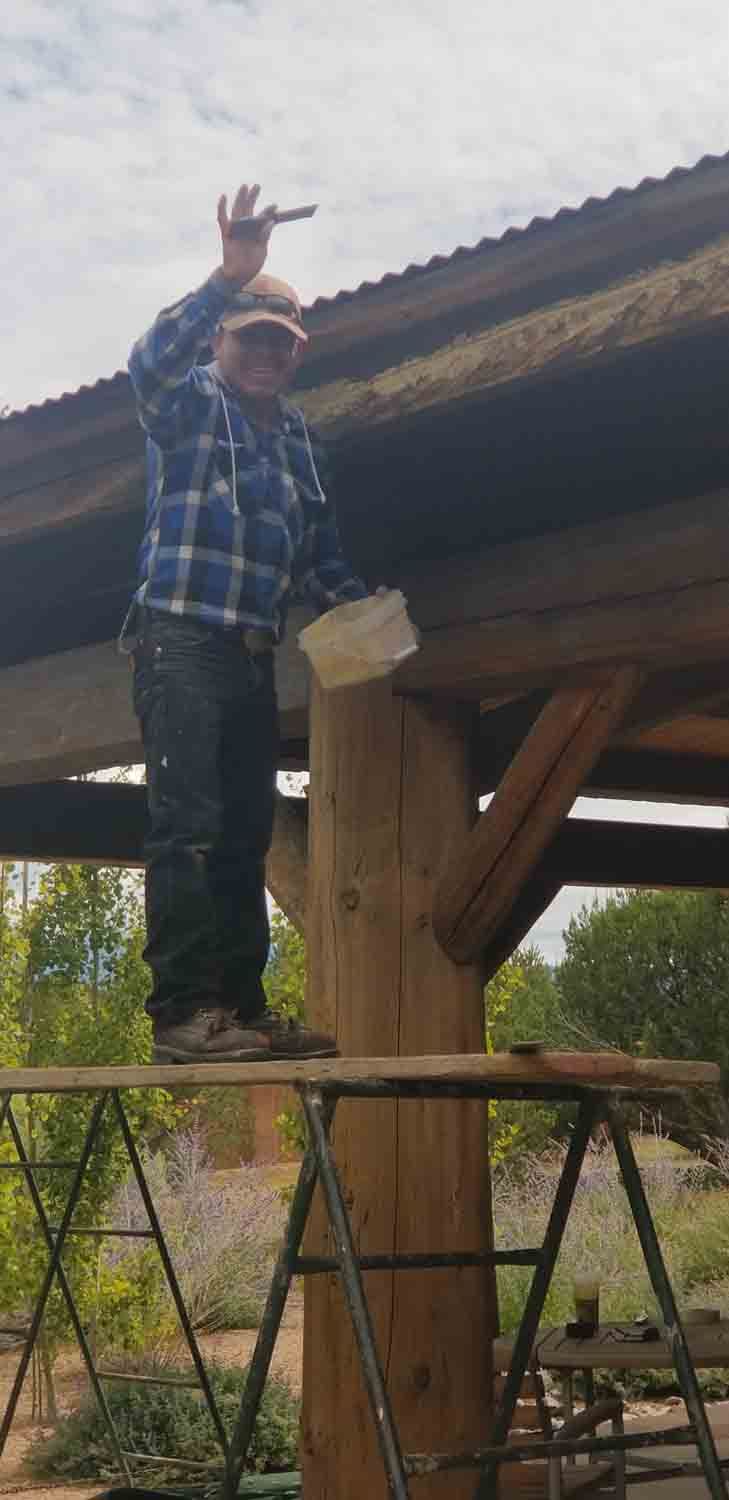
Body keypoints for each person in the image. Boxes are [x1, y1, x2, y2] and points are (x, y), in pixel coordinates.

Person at [123, 183, 368, 1063]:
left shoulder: (298, 438)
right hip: (181, 638)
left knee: (243, 832)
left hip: (251, 654)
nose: (265, 352)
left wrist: (364, 614)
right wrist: (229, 275)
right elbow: (144, 365)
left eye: (280, 341)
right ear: (224, 337)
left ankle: (239, 1012)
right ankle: (183, 1015)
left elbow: (318, 554)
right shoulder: (188, 403)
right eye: (250, 336)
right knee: (186, 823)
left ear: (296, 351)